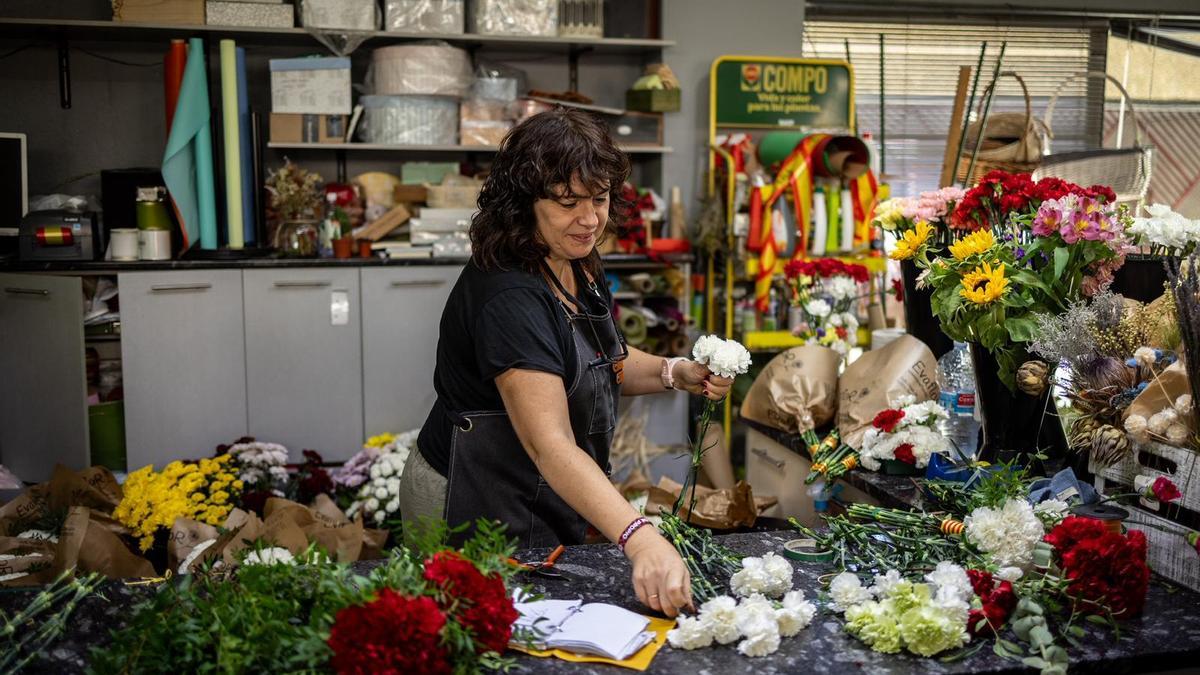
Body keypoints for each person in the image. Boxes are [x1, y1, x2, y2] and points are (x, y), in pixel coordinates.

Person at [399, 108, 732, 618]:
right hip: (471, 496)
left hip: (531, 490)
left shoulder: (572, 260)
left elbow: (599, 362)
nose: (590, 219)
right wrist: (640, 539)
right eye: (567, 203)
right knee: (480, 635)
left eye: (598, 200)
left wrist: (673, 371)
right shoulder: (510, 297)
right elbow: (550, 445)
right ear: (523, 204)